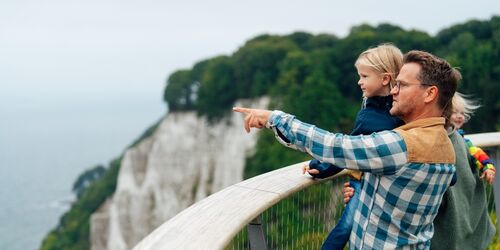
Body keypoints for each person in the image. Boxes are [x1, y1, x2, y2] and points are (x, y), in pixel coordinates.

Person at [234, 50, 460, 249]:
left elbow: (335, 146)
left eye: (402, 85)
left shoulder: (403, 146)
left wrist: (275, 118)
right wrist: (364, 195)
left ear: (430, 94)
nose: (393, 91)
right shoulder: (442, 143)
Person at [304, 44, 404, 250]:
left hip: (374, 184)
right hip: (366, 183)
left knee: (348, 228)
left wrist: (321, 167)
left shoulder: (375, 115)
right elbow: (349, 149)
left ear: (385, 79)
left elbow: (345, 151)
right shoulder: (382, 113)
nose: (359, 81)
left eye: (365, 76)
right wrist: (321, 168)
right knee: (347, 226)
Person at [430, 93, 496, 250]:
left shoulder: (464, 142)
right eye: (455, 112)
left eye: (462, 113)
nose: (460, 117)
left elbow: (479, 155)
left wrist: (488, 167)